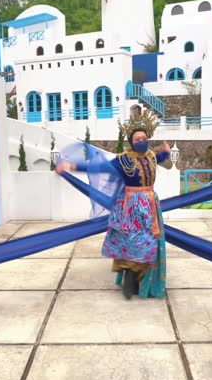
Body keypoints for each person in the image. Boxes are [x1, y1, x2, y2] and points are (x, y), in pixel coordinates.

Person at [55, 127, 171, 299]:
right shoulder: (123, 160)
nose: (141, 141)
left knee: (148, 242)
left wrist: (166, 153)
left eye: (144, 138)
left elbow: (160, 157)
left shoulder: (152, 156)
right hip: (131, 205)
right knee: (133, 240)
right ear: (132, 142)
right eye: (137, 139)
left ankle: (139, 278)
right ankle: (130, 277)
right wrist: (70, 166)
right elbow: (99, 167)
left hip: (150, 204)